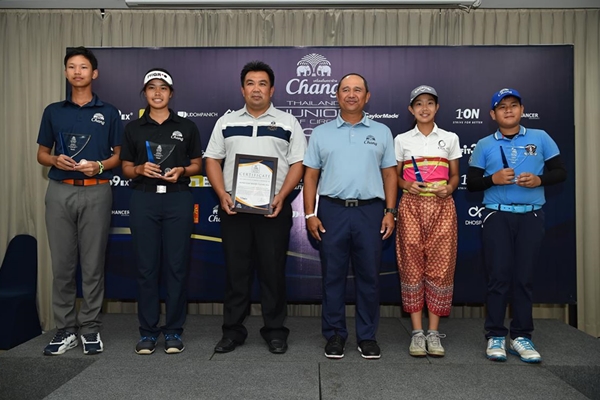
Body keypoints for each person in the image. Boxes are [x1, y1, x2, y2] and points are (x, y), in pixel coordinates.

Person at [204, 60, 307, 354]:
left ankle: (275, 330)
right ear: (242, 89)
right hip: (234, 209)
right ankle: (232, 331)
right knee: (236, 272)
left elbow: (299, 163)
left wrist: (282, 196)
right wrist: (221, 193)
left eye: (262, 83)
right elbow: (212, 159)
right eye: (251, 83)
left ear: (272, 89)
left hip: (273, 209)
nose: (256, 89)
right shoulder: (226, 122)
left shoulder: (288, 122)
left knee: (272, 272)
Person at [467, 88, 566, 363]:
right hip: (497, 216)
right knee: (499, 277)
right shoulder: (485, 144)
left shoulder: (541, 137)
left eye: (513, 105)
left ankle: (521, 335)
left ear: (522, 110)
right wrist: (493, 179)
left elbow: (561, 172)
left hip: (532, 216)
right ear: (493, 114)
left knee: (524, 278)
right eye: (502, 107)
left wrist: (540, 181)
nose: (508, 110)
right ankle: (496, 334)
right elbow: (472, 183)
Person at [303, 73, 397, 360]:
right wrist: (310, 213)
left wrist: (390, 211)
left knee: (369, 277)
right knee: (332, 277)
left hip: (370, 211)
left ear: (367, 96)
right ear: (337, 95)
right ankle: (334, 335)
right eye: (346, 89)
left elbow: (390, 173)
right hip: (332, 210)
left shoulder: (382, 132)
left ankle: (367, 337)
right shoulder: (321, 132)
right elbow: (310, 175)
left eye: (358, 90)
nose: (352, 94)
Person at [36, 46, 123, 355]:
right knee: (61, 264)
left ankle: (89, 328)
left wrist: (98, 166)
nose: (77, 72)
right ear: (65, 73)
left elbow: (118, 157)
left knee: (92, 264)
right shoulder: (53, 111)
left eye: (83, 67)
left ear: (94, 73)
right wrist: (54, 160)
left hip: (97, 190)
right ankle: (64, 329)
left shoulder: (109, 112)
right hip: (59, 191)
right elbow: (41, 154)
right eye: (71, 67)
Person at [120, 68, 202, 355]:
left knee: (177, 268)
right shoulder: (133, 128)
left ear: (171, 93)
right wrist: (140, 169)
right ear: (144, 93)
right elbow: (126, 168)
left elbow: (197, 164)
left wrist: (182, 170)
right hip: (143, 199)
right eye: (152, 88)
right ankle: (148, 331)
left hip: (178, 199)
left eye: (163, 88)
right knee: (146, 268)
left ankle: (174, 331)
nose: (157, 93)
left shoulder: (187, 126)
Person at [394, 85, 461, 358]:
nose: (424, 108)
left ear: (437, 107)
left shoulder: (450, 138)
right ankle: (417, 333)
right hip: (411, 206)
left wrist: (450, 188)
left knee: (441, 267)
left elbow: (455, 175)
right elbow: (394, 177)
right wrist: (406, 185)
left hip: (443, 206)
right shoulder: (401, 139)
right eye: (418, 104)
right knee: (411, 266)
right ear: (411, 109)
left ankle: (434, 333)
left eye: (429, 103)